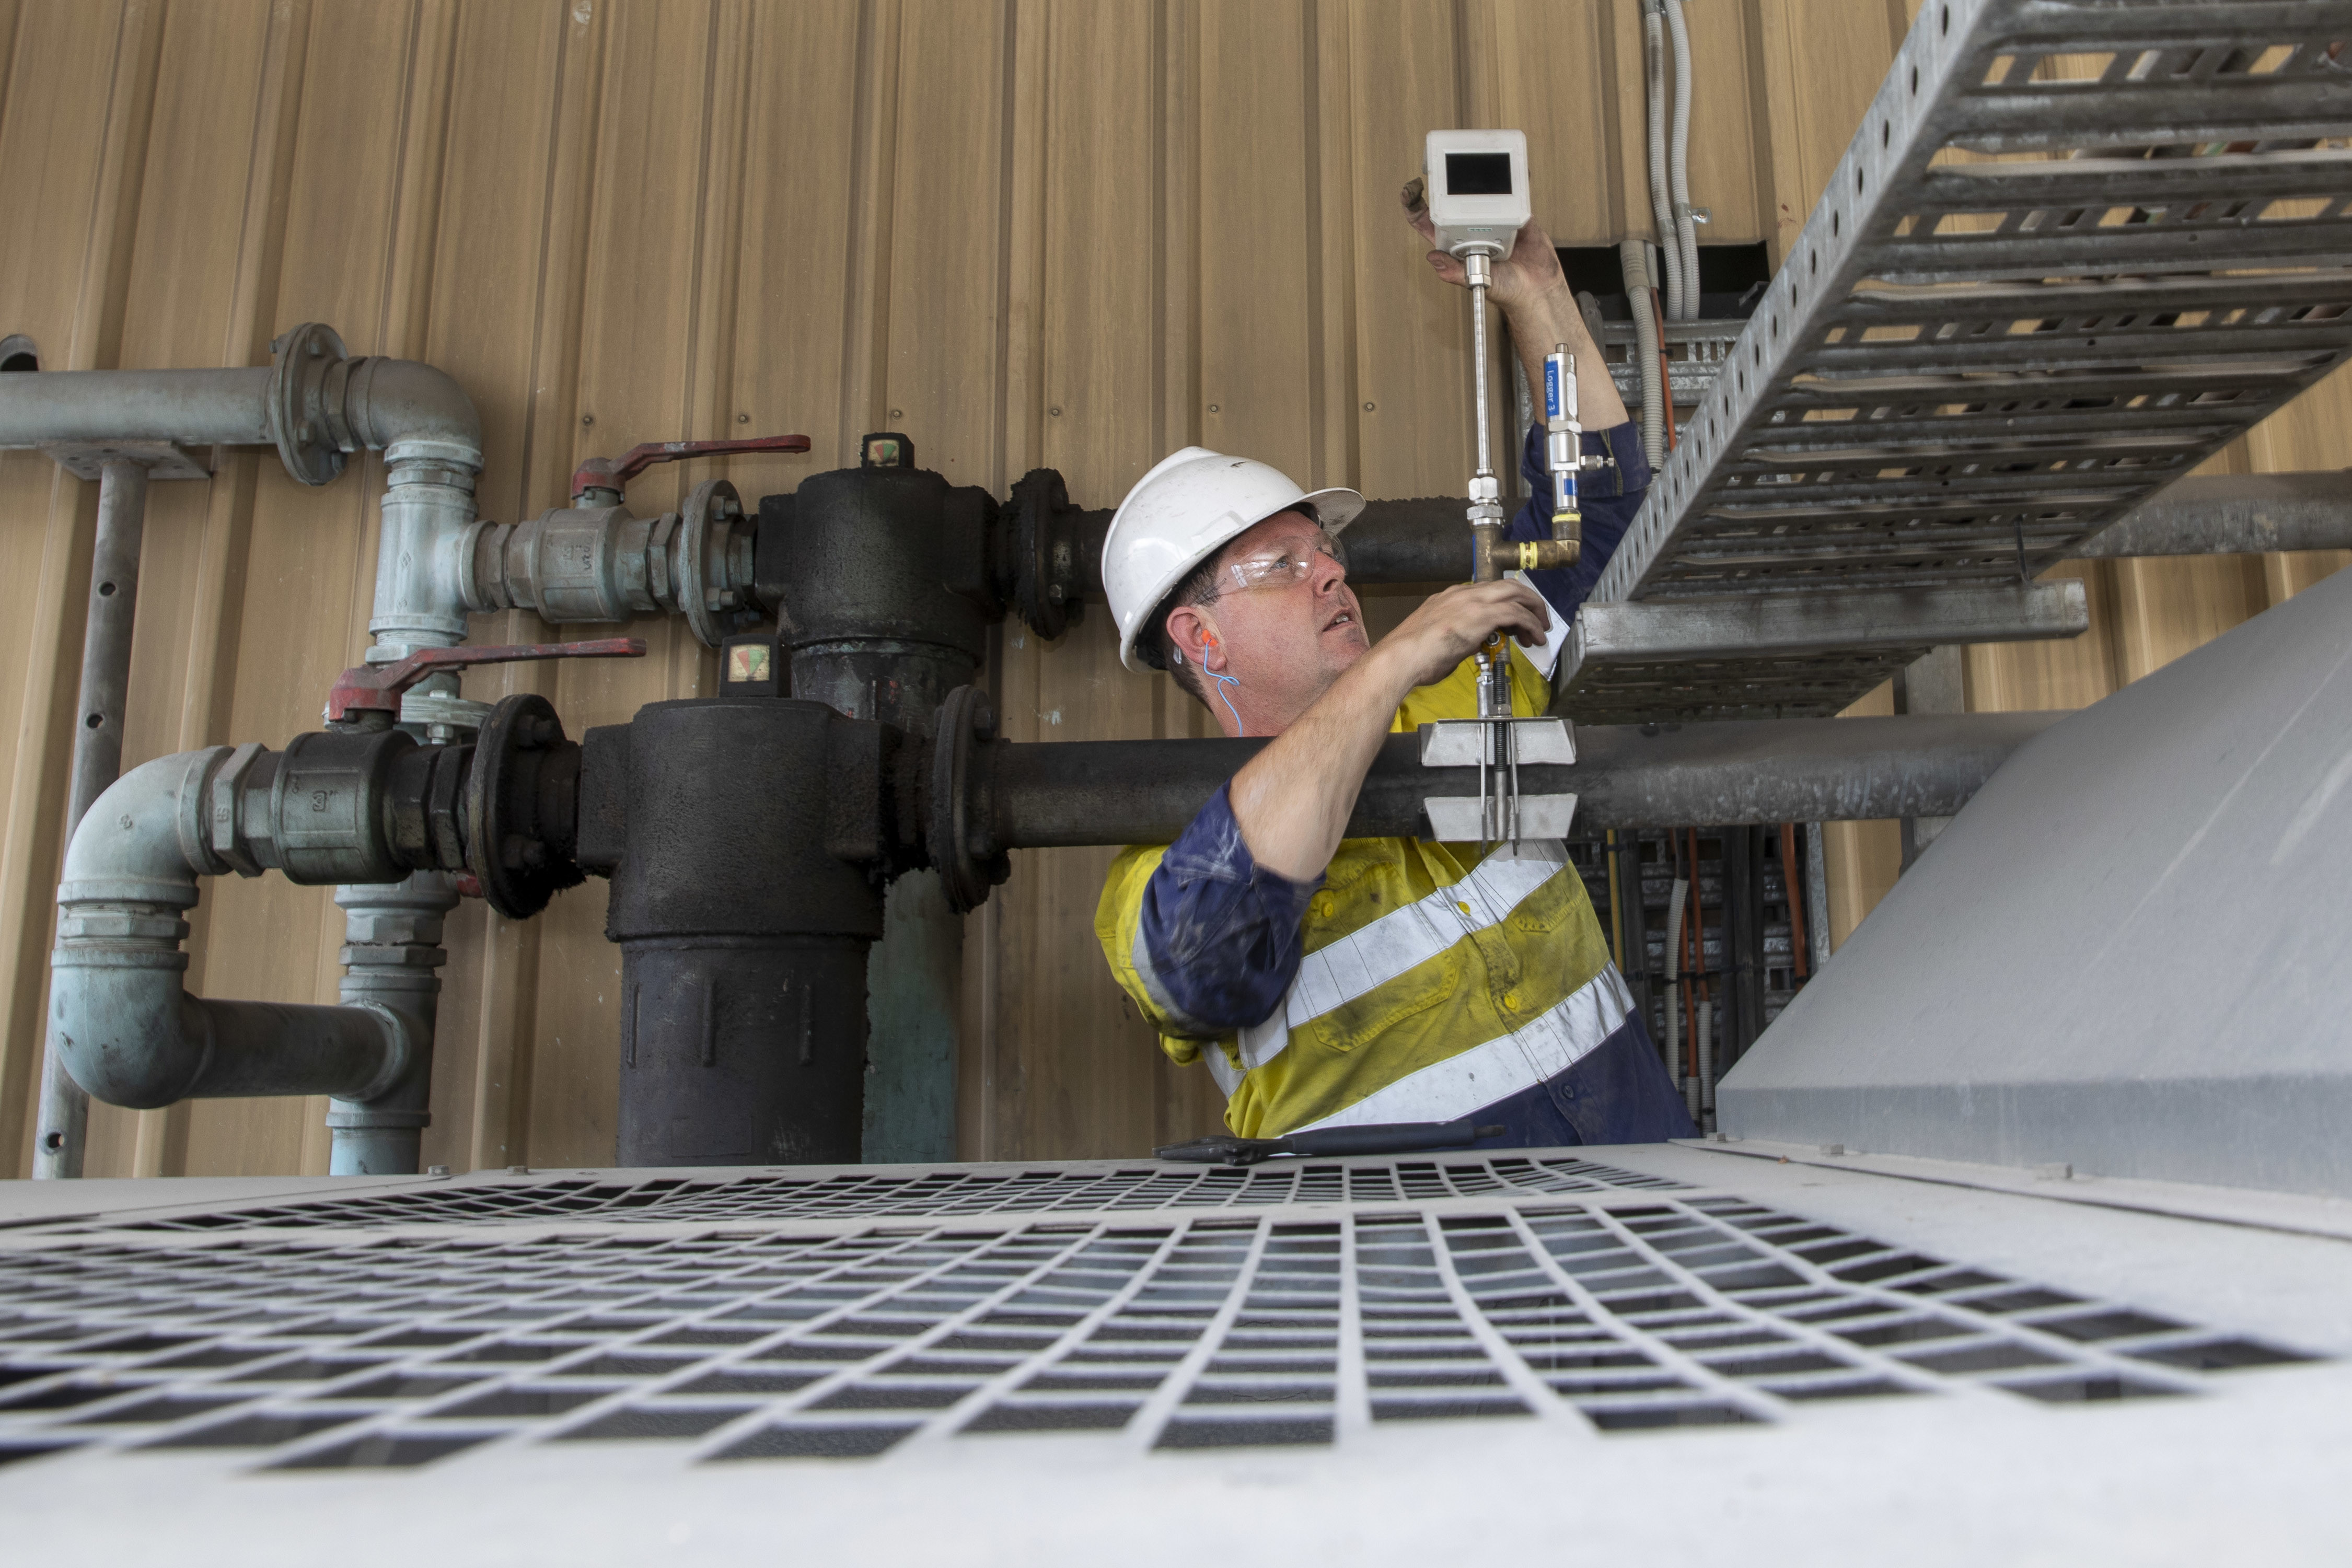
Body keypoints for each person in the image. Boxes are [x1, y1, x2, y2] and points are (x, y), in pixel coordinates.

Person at [1091, 205, 1695, 1151]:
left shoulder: (1465, 693)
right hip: (1409, 1280)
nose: (1332, 571)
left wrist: (1538, 296)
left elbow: (1602, 522)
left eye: (1323, 550)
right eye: (1285, 566)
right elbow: (1208, 961)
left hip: (1634, 1216)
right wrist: (1394, 660)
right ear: (1198, 638)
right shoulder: (1153, 863)